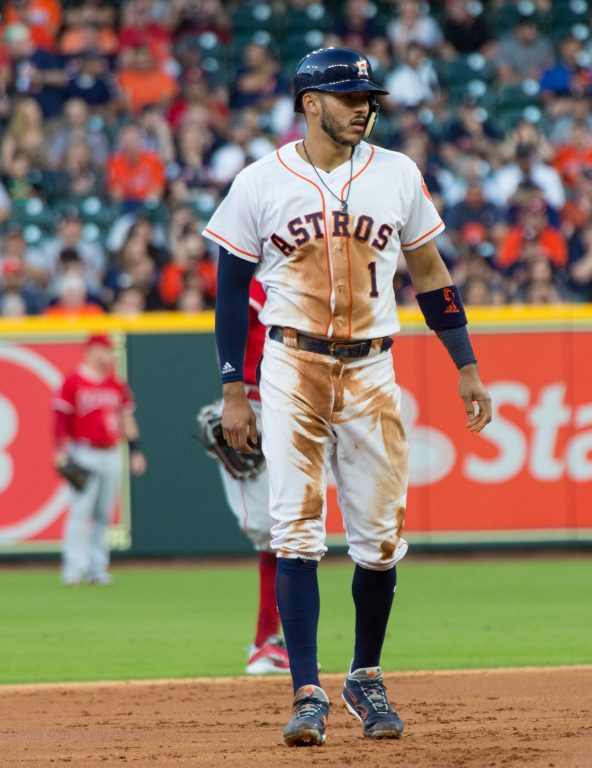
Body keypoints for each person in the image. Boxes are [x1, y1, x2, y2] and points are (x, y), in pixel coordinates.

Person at [204, 47, 492, 747]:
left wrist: (466, 363)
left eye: (368, 98)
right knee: (295, 530)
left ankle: (365, 676)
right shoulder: (260, 181)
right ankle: (306, 692)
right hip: (291, 363)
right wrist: (233, 388)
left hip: (371, 369)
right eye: (349, 97)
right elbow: (229, 291)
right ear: (311, 104)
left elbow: (431, 273)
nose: (363, 108)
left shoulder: (397, 173)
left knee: (380, 540)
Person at [196, 277, 289, 675]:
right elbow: (229, 326)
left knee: (293, 530)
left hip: (295, 402)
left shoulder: (300, 276)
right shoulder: (255, 282)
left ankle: (269, 641)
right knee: (274, 530)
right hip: (254, 400)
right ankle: (265, 642)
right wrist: (232, 395)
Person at [53, 334, 147, 586]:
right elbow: (61, 420)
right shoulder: (73, 382)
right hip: (83, 452)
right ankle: (73, 569)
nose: (110, 355)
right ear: (93, 350)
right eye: (106, 350)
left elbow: (127, 418)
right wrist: (60, 452)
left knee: (103, 514)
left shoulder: (116, 384)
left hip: (111, 452)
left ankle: (97, 568)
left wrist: (135, 450)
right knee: (80, 512)